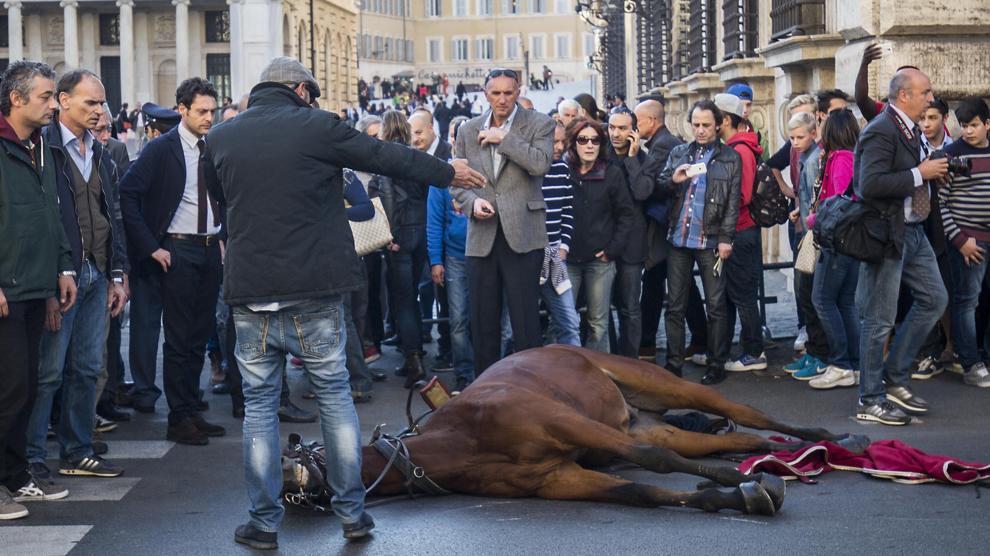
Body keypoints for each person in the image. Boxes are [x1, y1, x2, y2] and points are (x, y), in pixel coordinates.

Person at [202, 56, 484, 548]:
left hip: (250, 291)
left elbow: (218, 195)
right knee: (335, 398)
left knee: (260, 407)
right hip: (315, 287)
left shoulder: (222, 136)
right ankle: (352, 514)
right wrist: (447, 172)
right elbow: (383, 155)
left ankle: (264, 523)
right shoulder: (317, 126)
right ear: (301, 90)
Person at [26, 70, 129, 482]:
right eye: (90, 103)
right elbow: (41, 220)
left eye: (101, 103)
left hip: (98, 273)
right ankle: (32, 455)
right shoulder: (42, 148)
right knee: (48, 371)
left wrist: (118, 275)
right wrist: (53, 275)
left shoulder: (101, 152)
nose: (99, 111)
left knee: (88, 367)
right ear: (63, 102)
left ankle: (77, 450)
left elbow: (113, 216)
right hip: (61, 277)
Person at [119, 78, 227, 445]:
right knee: (179, 338)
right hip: (177, 250)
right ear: (182, 109)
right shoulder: (161, 149)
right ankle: (178, 418)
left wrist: (223, 236)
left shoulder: (213, 147)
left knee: (199, 334)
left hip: (211, 249)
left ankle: (191, 409)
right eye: (202, 111)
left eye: (212, 111)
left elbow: (221, 196)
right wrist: (152, 246)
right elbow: (128, 196)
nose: (209, 118)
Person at [0, 60, 77, 520]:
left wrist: (62, 271)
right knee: (8, 390)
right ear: (16, 98)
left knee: (25, 389)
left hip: (34, 287)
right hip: (6, 289)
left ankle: (13, 476)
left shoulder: (41, 148)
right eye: (46, 96)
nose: (54, 103)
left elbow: (53, 216)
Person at [853, 68, 950, 425]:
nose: (930, 97)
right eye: (925, 92)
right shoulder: (881, 129)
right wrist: (919, 175)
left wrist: (934, 171)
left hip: (912, 230)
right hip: (887, 234)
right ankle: (870, 398)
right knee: (879, 320)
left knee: (935, 299)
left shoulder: (908, 128)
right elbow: (869, 183)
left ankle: (894, 378)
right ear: (904, 95)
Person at [449, 68, 555, 375]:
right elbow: (456, 181)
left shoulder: (540, 123)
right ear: (485, 94)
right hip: (481, 236)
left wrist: (505, 139)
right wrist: (472, 202)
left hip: (523, 233)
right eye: (496, 93)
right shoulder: (468, 130)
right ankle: (488, 389)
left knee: (525, 322)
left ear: (518, 92)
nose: (503, 99)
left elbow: (540, 164)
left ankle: (531, 389)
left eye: (509, 92)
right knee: (482, 322)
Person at [658, 100, 741, 385]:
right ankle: (673, 363)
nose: (701, 130)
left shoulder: (730, 158)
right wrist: (673, 179)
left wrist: (725, 238)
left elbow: (732, 203)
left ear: (718, 124)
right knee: (675, 305)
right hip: (679, 238)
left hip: (711, 240)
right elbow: (659, 185)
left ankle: (717, 362)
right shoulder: (680, 152)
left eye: (706, 124)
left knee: (716, 305)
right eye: (696, 124)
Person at [633, 99, 707, 363]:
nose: (634, 125)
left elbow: (647, 186)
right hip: (666, 228)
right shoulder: (661, 142)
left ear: (652, 121)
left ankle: (650, 344)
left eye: (637, 121)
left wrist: (633, 160)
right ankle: (695, 339)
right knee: (674, 286)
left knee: (668, 286)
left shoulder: (663, 144)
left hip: (666, 228)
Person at [566, 118, 635, 352]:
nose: (589, 145)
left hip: (600, 260)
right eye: (583, 139)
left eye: (595, 140)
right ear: (573, 143)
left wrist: (611, 250)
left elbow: (626, 215)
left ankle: (597, 375)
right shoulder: (562, 171)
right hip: (567, 260)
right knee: (564, 321)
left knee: (598, 324)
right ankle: (560, 374)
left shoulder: (612, 173)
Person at [807, 109, 862, 390]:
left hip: (837, 241)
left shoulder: (841, 159)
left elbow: (842, 202)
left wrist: (813, 219)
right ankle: (854, 363)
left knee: (823, 300)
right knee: (845, 303)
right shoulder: (851, 157)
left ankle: (840, 363)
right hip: (850, 241)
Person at [713, 93, 766, 374]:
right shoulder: (736, 147)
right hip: (738, 230)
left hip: (741, 230)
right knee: (735, 294)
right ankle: (738, 348)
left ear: (724, 120)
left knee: (744, 295)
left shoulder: (740, 151)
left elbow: (743, 195)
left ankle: (754, 351)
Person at [940, 97, 990, 387]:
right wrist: (960, 241)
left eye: (973, 125)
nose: (968, 131)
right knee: (967, 300)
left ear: (987, 124)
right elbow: (941, 204)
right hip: (968, 240)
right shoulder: (952, 156)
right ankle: (970, 362)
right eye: (964, 126)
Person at [784, 112, 830, 381]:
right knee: (807, 294)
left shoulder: (813, 160)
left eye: (800, 137)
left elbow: (817, 198)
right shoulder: (808, 158)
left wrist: (807, 223)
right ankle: (816, 352)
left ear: (814, 133)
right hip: (808, 231)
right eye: (792, 138)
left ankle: (819, 354)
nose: (795, 142)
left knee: (809, 294)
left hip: (812, 237)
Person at [604, 107, 650, 358]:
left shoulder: (644, 160)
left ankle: (630, 360)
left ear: (634, 132)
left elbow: (642, 193)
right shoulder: (600, 156)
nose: (616, 133)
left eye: (622, 128)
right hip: (604, 242)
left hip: (632, 245)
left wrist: (632, 159)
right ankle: (609, 357)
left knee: (630, 307)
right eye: (612, 127)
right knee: (601, 308)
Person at [538, 120, 581, 346]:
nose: (559, 146)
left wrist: (563, 246)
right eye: (553, 141)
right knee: (509, 329)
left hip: (555, 257)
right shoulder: (525, 171)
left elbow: (567, 212)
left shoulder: (562, 169)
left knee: (570, 322)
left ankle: (576, 378)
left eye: (562, 141)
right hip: (526, 258)